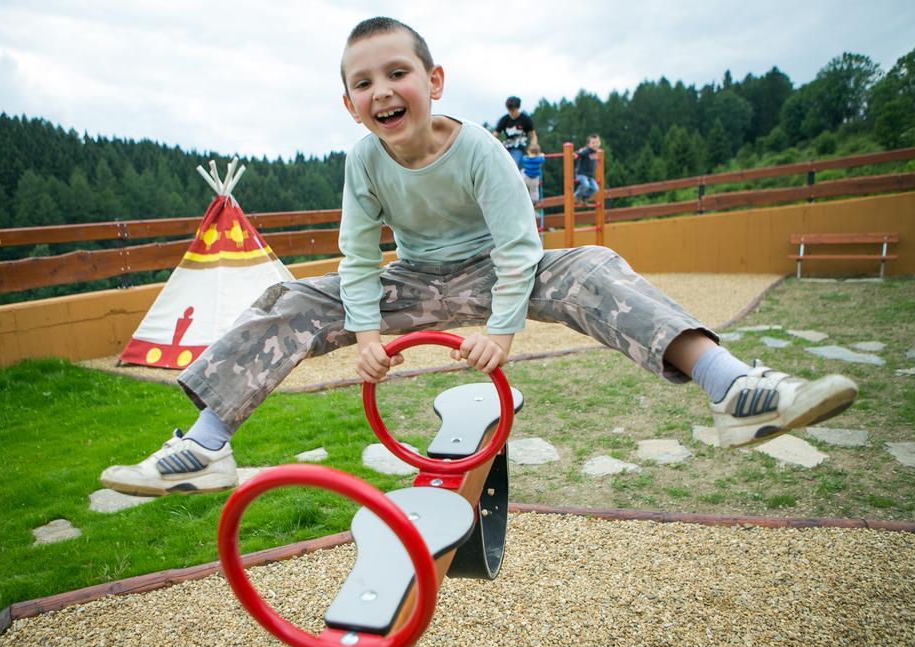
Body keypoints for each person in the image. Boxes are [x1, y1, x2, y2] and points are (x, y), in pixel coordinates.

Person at [100, 17, 858, 496]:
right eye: (364, 84)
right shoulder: (364, 163)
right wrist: (365, 333)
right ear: (350, 105)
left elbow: (521, 243)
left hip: (501, 272)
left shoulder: (482, 151)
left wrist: (503, 326)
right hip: (411, 282)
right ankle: (204, 447)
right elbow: (358, 257)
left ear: (432, 82)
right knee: (293, 301)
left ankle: (733, 389)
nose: (383, 91)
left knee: (594, 266)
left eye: (397, 74)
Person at [492, 96, 537, 168]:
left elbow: (533, 136)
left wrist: (533, 147)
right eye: (509, 110)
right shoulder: (504, 119)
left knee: (513, 165)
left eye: (513, 110)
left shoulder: (525, 119)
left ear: (518, 108)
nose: (511, 112)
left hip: (518, 149)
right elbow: (495, 135)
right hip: (506, 148)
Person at [574, 134, 601, 204]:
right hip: (581, 173)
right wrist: (576, 154)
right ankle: (576, 196)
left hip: (590, 175)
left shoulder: (596, 152)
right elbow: (580, 153)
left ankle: (584, 198)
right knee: (586, 185)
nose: (595, 144)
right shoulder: (587, 150)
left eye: (597, 142)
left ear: (599, 143)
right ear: (588, 144)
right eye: (593, 143)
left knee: (595, 189)